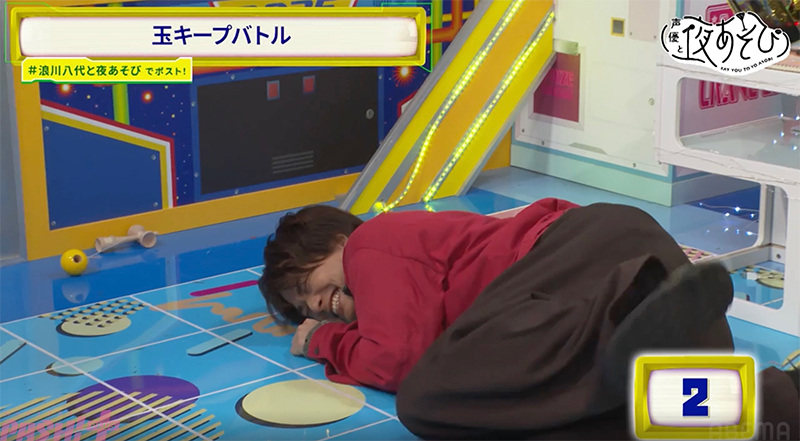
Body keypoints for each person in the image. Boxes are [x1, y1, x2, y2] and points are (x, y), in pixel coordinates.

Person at [258, 199, 799, 440]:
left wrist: (325, 341)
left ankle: (616, 326)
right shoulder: (419, 271)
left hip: (579, 266)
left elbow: (396, 359)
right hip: (631, 259)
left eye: (307, 286)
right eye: (303, 309)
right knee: (643, 418)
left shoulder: (371, 243)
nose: (317, 306)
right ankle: (781, 398)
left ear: (336, 240)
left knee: (426, 399)